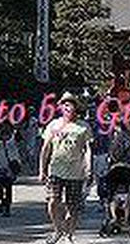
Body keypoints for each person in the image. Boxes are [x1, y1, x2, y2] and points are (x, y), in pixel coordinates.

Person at [39, 91, 93, 244]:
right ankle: (57, 229)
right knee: (53, 201)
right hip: (55, 169)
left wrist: (89, 168)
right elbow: (45, 148)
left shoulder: (83, 127)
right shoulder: (53, 125)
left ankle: (69, 234)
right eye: (65, 104)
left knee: (73, 206)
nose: (68, 107)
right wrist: (42, 169)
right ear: (61, 107)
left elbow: (88, 149)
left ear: (76, 108)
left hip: (76, 172)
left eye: (71, 104)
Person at [0, 123, 21, 216]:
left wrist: (18, 163)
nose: (5, 135)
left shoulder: (14, 137)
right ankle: (2, 201)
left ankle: (7, 207)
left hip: (10, 165)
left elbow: (19, 147)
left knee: (8, 187)